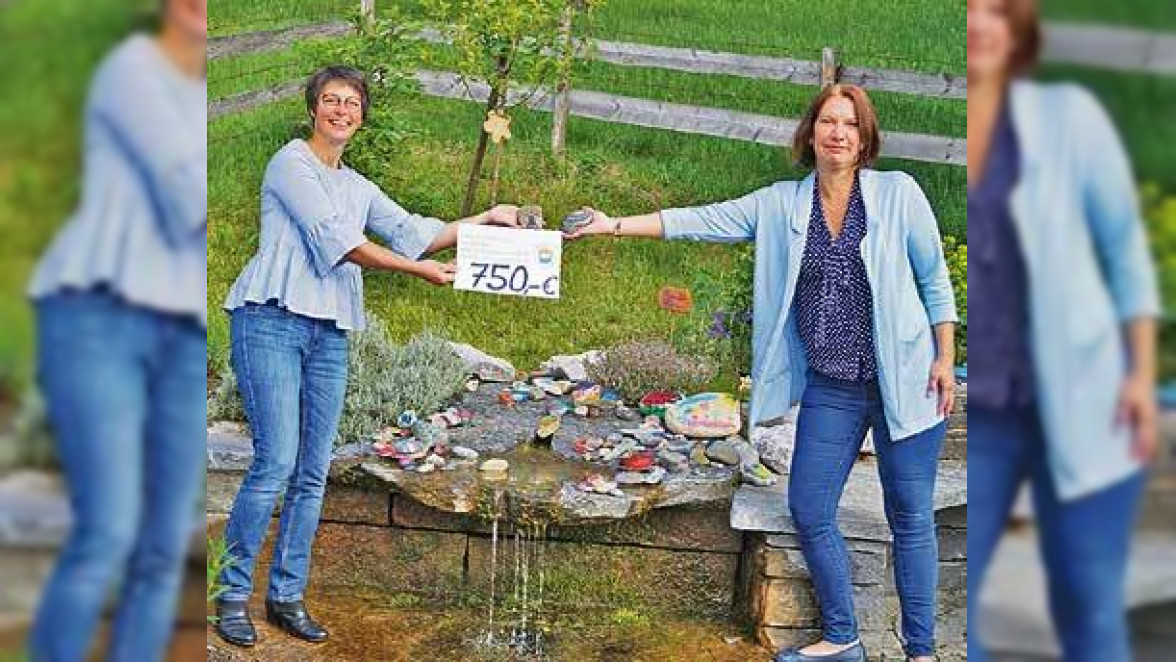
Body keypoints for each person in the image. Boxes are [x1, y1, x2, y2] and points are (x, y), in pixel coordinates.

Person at [567, 83, 957, 662]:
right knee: (809, 507)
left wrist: (945, 356)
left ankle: (921, 652)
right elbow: (703, 219)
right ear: (811, 133)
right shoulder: (780, 204)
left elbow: (933, 280)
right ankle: (843, 637)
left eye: (850, 124)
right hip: (833, 386)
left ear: (865, 137)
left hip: (907, 378)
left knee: (910, 517)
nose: (838, 133)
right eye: (828, 121)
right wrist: (611, 224)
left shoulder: (898, 194)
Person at [214, 65, 519, 648]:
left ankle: (285, 596)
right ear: (312, 108)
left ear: (362, 114)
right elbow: (343, 245)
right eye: (331, 100)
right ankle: (230, 595)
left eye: (352, 103)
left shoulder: (355, 184)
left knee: (312, 470)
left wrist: (483, 219)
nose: (341, 110)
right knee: (275, 462)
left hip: (330, 331)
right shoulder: (291, 164)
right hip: (271, 321)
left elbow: (410, 230)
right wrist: (416, 271)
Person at [966, 1, 1160, 660]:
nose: (976, 22)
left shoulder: (1068, 117)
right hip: (986, 412)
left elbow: (1126, 252)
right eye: (963, 7)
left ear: (1017, 27)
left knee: (1089, 600)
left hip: (1083, 397)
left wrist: (1138, 374)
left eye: (992, 9)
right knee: (964, 609)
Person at [26, 1, 209, 660]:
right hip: (99, 315)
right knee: (107, 530)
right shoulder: (132, 71)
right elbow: (192, 194)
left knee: (163, 546)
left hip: (185, 335)